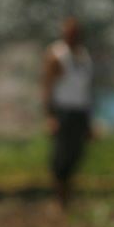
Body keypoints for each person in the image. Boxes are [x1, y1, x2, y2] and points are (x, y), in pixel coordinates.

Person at [42, 16, 94, 209]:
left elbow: (86, 90)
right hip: (63, 111)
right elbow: (47, 86)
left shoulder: (84, 56)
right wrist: (50, 116)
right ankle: (60, 200)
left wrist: (89, 120)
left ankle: (67, 198)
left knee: (77, 154)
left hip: (80, 111)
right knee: (61, 158)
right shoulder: (56, 54)